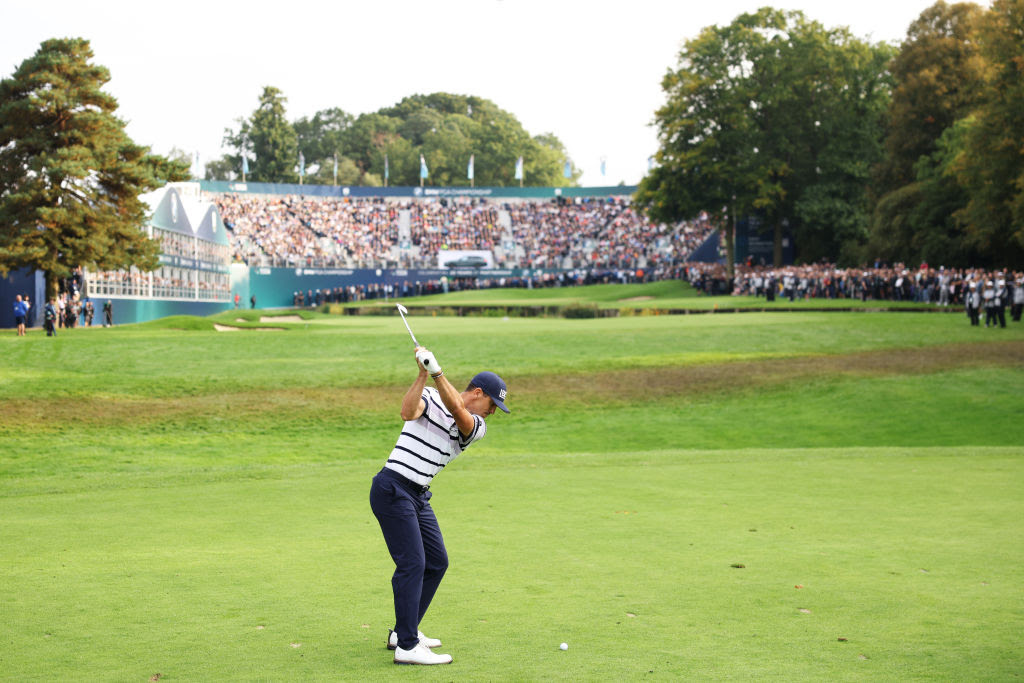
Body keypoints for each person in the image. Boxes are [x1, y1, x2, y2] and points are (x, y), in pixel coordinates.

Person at [369, 347, 510, 666]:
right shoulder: (430, 395)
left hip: (417, 494)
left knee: (436, 561)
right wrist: (422, 374)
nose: (493, 412)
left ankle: (403, 631)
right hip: (392, 486)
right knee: (413, 563)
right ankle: (406, 645)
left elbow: (459, 413)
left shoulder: (475, 425)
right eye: (493, 404)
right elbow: (407, 412)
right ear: (478, 392)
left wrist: (437, 371)